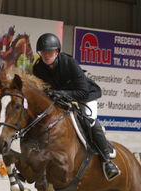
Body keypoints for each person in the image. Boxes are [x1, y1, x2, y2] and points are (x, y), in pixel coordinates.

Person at [32, 33, 120, 180]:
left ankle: (107, 160)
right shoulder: (38, 69)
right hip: (59, 98)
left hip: (84, 96)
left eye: (50, 52)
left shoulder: (69, 63)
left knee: (89, 120)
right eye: (43, 52)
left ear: (57, 51)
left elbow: (82, 91)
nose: (46, 55)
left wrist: (61, 93)